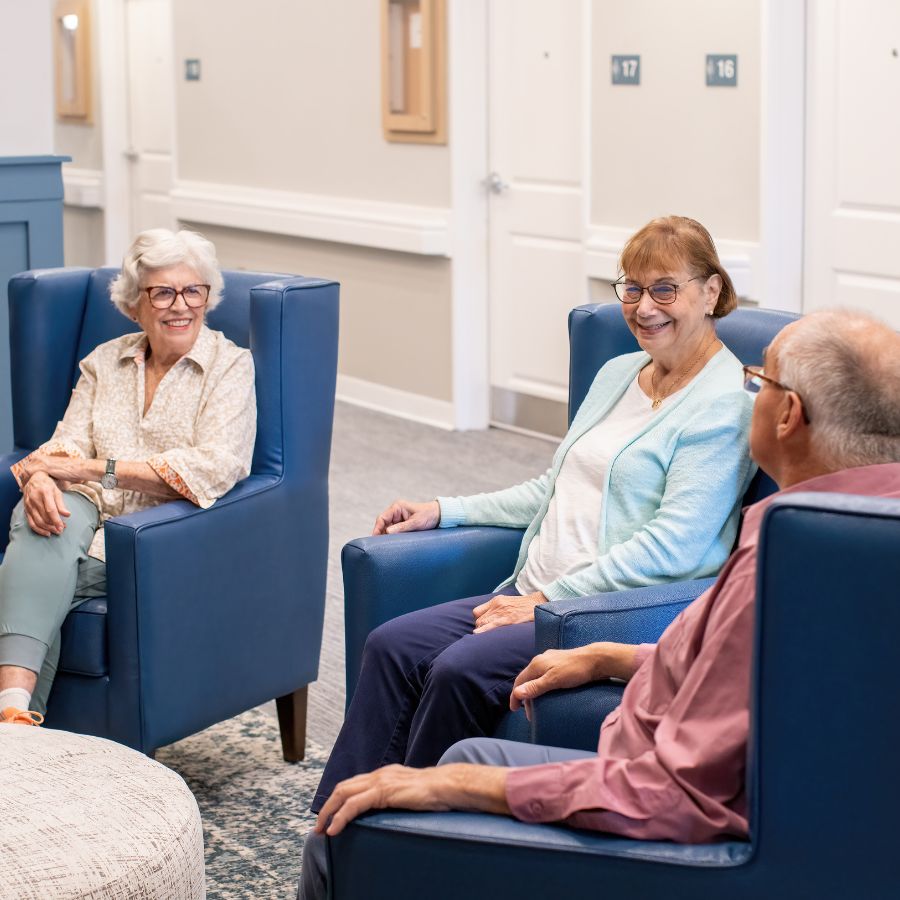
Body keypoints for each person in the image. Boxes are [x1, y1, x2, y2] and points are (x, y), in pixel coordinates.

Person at [299, 308, 900, 899]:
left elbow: (675, 798)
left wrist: (457, 787)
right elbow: (750, 672)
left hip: (669, 835)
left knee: (398, 806)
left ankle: (366, 853)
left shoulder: (791, 559)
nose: (750, 394)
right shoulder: (843, 530)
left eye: (759, 380)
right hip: (680, 783)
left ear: (788, 414)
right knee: (425, 708)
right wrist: (611, 657)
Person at [312, 216, 757, 812]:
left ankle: (408, 831)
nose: (644, 306)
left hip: (599, 610)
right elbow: (554, 487)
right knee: (392, 644)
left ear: (711, 291)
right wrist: (444, 510)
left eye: (664, 289)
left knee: (458, 670)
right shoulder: (620, 373)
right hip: (534, 590)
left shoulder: (725, 405)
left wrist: (551, 599)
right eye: (631, 288)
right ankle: (338, 824)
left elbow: (674, 545)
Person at [0, 229, 256, 724]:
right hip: (82, 510)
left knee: (31, 573)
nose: (181, 305)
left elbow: (216, 465)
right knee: (42, 518)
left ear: (207, 297)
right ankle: (15, 721)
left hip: (155, 532)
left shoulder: (230, 367)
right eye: (162, 292)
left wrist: (86, 469)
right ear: (135, 304)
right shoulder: (105, 361)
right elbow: (66, 443)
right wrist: (39, 479)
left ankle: (13, 718)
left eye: (193, 290)